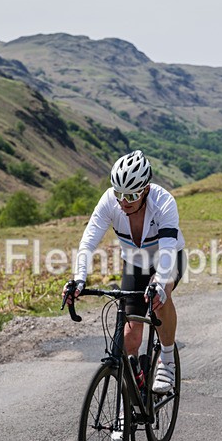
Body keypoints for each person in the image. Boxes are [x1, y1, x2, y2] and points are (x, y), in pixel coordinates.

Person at [63, 150, 185, 404]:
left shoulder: (164, 202)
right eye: (119, 194)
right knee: (130, 338)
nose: (123, 201)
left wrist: (160, 284)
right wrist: (79, 279)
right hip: (135, 263)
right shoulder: (110, 201)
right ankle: (131, 399)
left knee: (160, 298)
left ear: (146, 189)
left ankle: (167, 359)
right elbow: (88, 242)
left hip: (168, 259)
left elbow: (167, 251)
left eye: (131, 195)